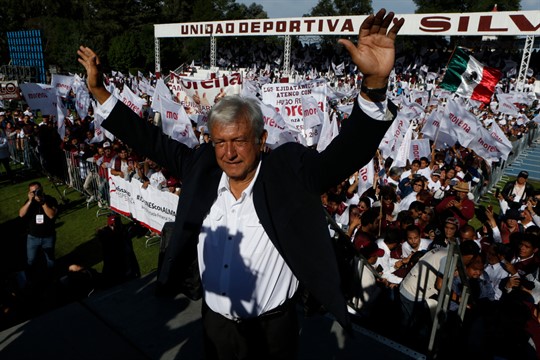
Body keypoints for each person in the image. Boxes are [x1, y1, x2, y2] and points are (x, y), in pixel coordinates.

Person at [78, 9, 404, 359]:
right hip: (216, 325)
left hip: (272, 330)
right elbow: (148, 140)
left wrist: (373, 85)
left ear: (262, 140)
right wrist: (98, 90)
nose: (229, 153)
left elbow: (347, 153)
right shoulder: (201, 167)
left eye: (239, 141)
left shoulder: (288, 173)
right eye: (220, 142)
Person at [18, 181, 59, 269]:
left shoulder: (51, 200)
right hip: (33, 237)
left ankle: (52, 278)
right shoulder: (29, 202)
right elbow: (21, 214)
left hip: (48, 236)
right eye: (33, 192)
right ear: (30, 193)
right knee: (31, 260)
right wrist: (29, 201)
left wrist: (42, 202)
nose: (36, 193)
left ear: (41, 189)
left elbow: (51, 215)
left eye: (37, 190)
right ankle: (31, 277)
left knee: (50, 259)